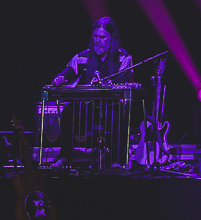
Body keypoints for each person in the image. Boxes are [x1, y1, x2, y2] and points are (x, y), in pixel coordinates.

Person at [47, 17, 135, 166]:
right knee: (68, 111)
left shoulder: (123, 58)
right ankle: (65, 157)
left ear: (111, 38)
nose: (97, 40)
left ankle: (117, 161)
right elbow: (67, 73)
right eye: (95, 36)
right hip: (87, 109)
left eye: (102, 37)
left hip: (111, 108)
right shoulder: (82, 57)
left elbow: (123, 80)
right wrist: (60, 78)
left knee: (120, 115)